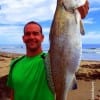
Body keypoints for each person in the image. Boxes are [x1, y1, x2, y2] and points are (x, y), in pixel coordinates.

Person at [7, 1, 89, 100]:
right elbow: (13, 93)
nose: (31, 37)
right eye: (28, 34)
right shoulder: (14, 64)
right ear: (23, 38)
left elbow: (63, 51)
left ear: (42, 37)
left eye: (35, 33)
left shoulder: (49, 61)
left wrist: (80, 13)